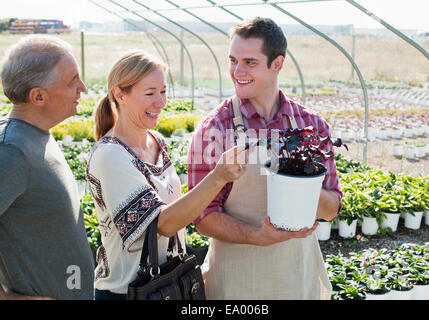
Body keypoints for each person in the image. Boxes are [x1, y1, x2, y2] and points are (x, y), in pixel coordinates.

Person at [187, 17, 342, 300]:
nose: (237, 71)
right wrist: (255, 236)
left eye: (250, 62)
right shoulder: (214, 130)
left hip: (298, 278)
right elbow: (203, 217)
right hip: (236, 284)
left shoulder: (311, 126)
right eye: (233, 60)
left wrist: (302, 187)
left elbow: (331, 208)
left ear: (277, 64)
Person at [88, 50, 246, 300]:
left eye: (163, 91)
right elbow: (163, 224)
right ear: (120, 95)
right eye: (150, 93)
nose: (160, 102)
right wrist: (217, 178)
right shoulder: (111, 156)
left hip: (167, 283)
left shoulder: (156, 141)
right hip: (127, 292)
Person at [0, 35, 94, 300]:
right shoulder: (12, 152)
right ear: (38, 96)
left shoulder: (37, 135)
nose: (83, 88)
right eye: (72, 81)